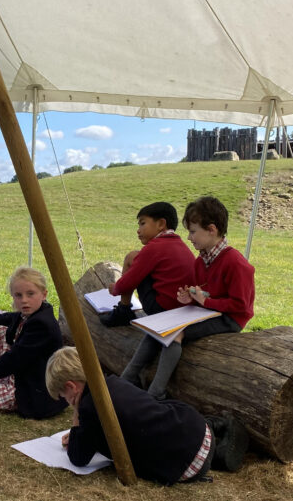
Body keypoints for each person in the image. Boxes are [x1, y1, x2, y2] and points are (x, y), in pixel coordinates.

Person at [46, 347, 249, 482]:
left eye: (63, 395)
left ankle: (219, 454)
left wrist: (76, 420)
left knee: (165, 443)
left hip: (185, 468)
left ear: (71, 387)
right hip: (195, 425)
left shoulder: (89, 409)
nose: (66, 401)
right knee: (160, 410)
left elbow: (78, 457)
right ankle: (217, 429)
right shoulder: (112, 382)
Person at [121, 195, 255, 399]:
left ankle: (156, 393)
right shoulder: (201, 262)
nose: (190, 238)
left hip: (230, 318)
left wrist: (205, 301)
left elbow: (241, 305)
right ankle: (127, 378)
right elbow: (203, 290)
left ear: (212, 230)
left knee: (175, 333)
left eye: (193, 232)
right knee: (159, 326)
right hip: (207, 311)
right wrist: (190, 297)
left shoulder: (236, 263)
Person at [0, 267, 67, 419]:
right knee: (0, 329)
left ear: (44, 294)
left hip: (38, 393)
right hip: (24, 378)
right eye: (18, 295)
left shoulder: (42, 325)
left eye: (30, 294)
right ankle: (2, 396)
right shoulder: (30, 314)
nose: (24, 300)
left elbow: (14, 359)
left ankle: (15, 405)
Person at [100, 201, 194, 327]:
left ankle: (123, 311)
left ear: (161, 224)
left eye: (143, 223)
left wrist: (116, 288)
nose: (138, 231)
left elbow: (130, 280)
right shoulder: (180, 245)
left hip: (161, 310)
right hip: (185, 309)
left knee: (131, 257)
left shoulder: (154, 248)